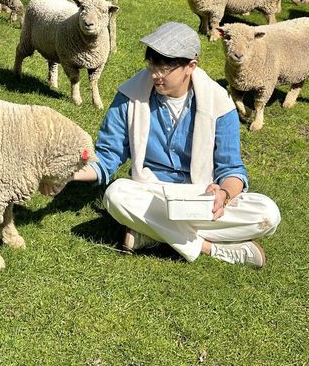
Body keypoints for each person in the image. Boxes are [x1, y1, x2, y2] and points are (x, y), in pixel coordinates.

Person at [42, 21, 280, 267]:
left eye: (165, 67)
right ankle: (212, 248)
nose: (155, 73)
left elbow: (231, 169)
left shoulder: (220, 104)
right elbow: (106, 157)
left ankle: (150, 232)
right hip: (152, 193)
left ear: (190, 66)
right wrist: (66, 174)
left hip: (200, 197)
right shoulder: (130, 97)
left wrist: (224, 194)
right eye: (152, 63)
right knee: (116, 194)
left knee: (268, 214)